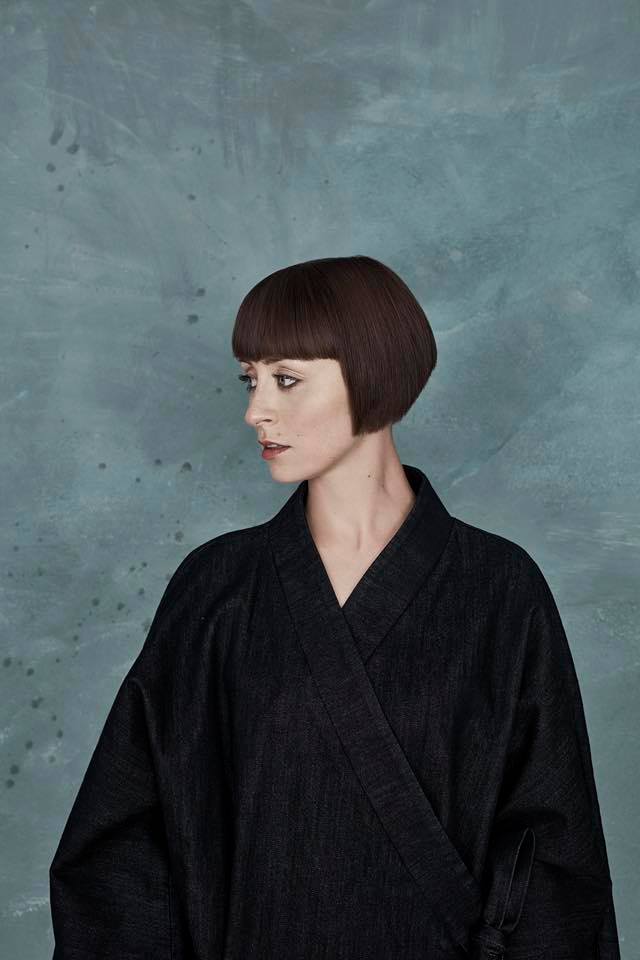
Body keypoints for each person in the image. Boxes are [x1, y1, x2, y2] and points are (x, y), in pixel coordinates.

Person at [49, 255, 620, 959]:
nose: (255, 410)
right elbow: (125, 841)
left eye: (286, 379)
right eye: (251, 379)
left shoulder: (500, 589)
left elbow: (555, 859)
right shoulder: (216, 586)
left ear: (374, 372)